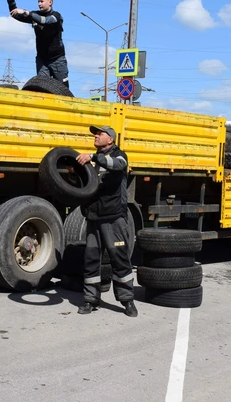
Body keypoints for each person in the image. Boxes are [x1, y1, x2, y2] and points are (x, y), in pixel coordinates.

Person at [75, 125, 137, 318]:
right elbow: (84, 184)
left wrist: (93, 158)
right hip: (93, 216)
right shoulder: (91, 161)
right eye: (95, 133)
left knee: (119, 258)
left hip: (113, 217)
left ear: (110, 139)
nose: (96, 136)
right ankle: (90, 300)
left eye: (100, 133)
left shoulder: (119, 156)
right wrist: (73, 171)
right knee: (92, 260)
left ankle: (127, 301)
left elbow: (118, 165)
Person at [2, 0, 68, 88]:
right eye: (38, 1)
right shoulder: (34, 15)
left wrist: (26, 12)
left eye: (42, 1)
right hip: (42, 59)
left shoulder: (56, 16)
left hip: (57, 59)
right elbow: (15, 14)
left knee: (63, 89)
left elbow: (45, 21)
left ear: (50, 2)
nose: (39, 4)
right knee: (42, 87)